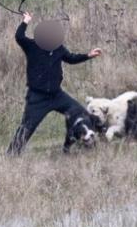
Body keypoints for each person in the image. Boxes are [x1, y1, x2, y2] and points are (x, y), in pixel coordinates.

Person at [7, 11, 102, 155]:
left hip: (57, 95)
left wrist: (88, 55)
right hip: (37, 98)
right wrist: (25, 21)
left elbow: (71, 58)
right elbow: (19, 37)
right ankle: (12, 155)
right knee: (27, 127)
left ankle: (82, 141)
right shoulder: (32, 46)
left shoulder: (59, 48)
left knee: (81, 112)